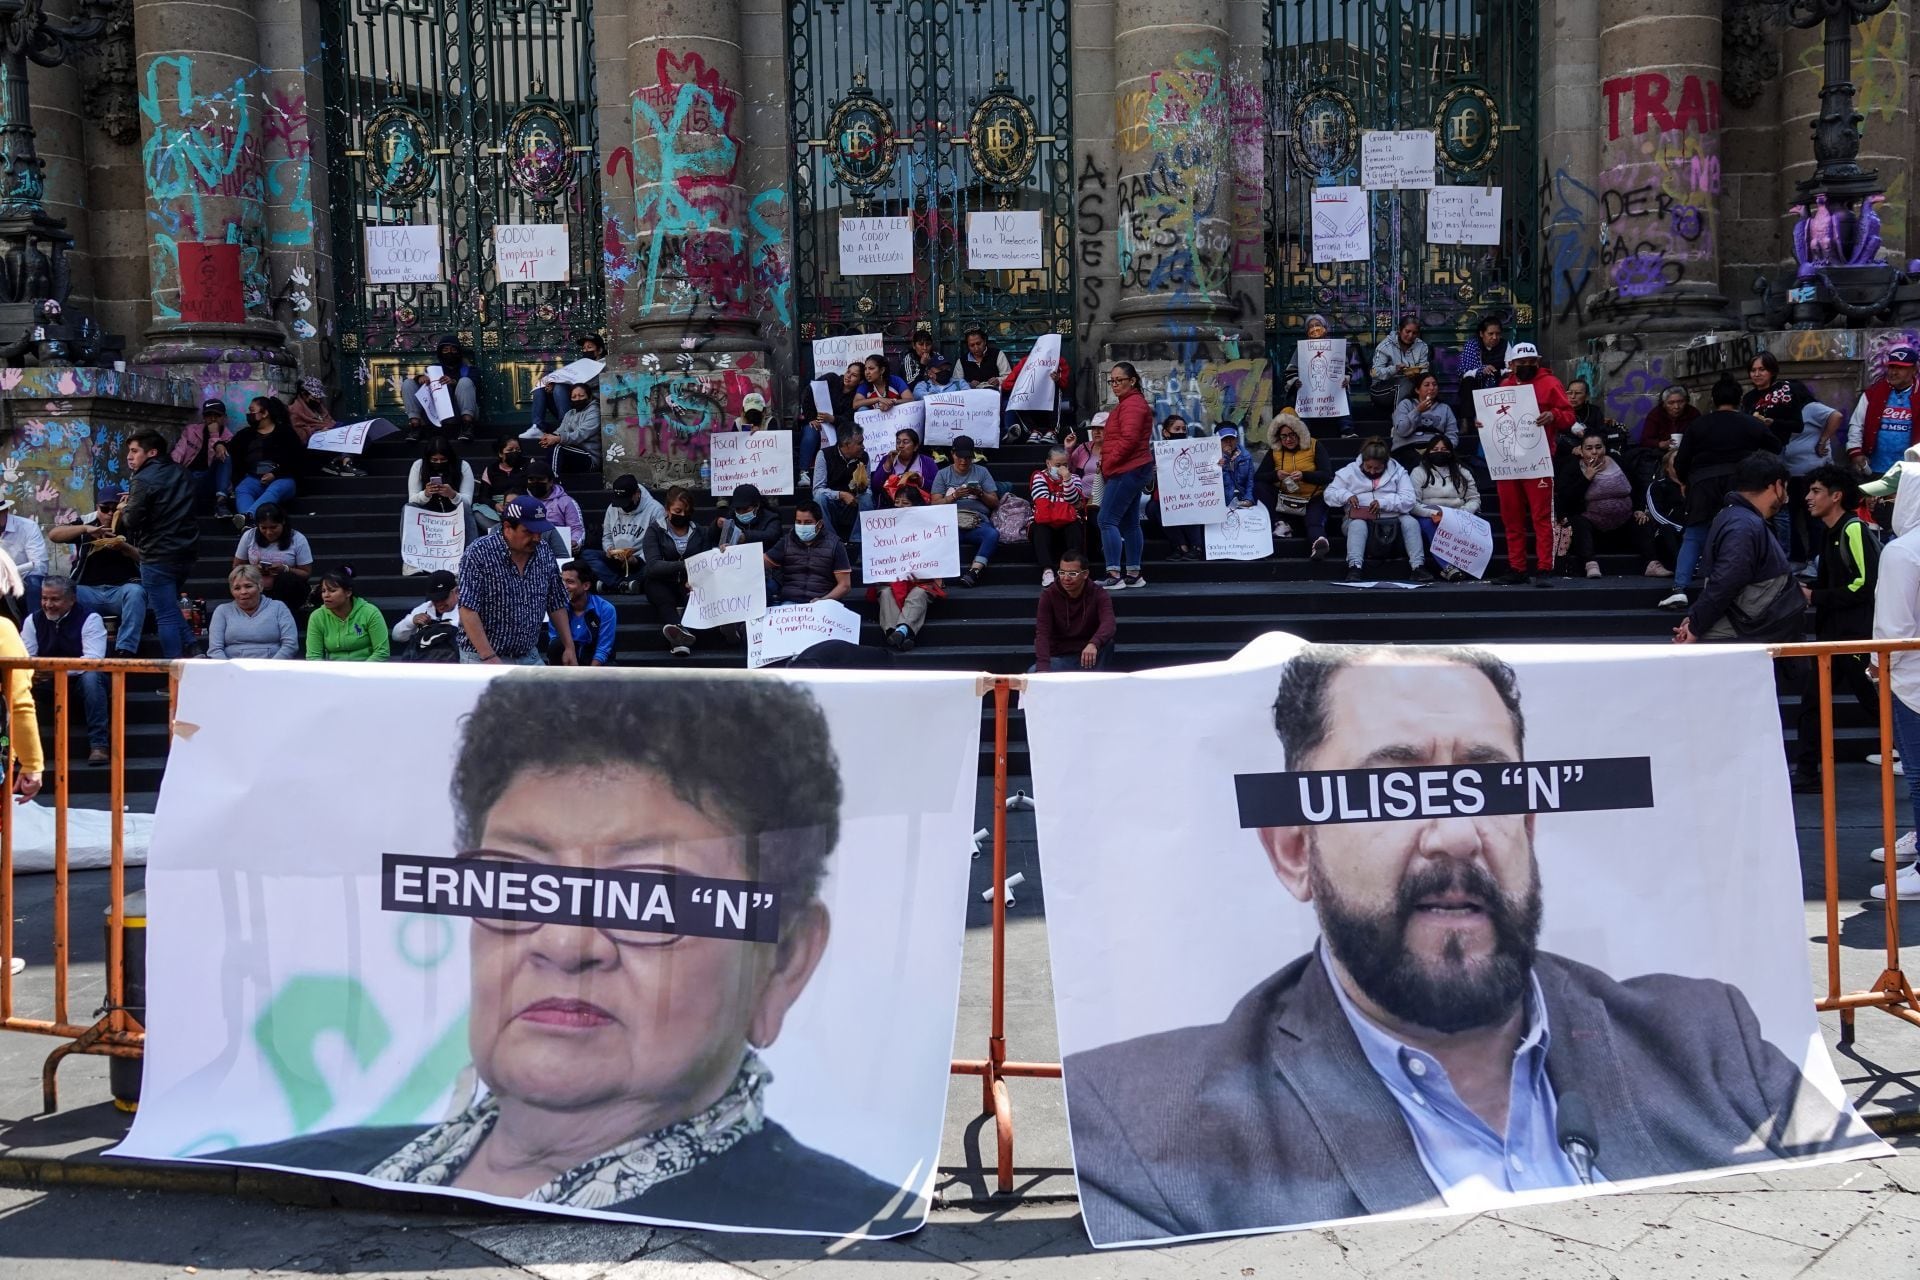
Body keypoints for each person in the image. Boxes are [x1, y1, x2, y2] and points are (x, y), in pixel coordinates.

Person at [1065, 644, 1880, 1244]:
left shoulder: (1710, 1039)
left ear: (1528, 827)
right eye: (1393, 785)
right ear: (1292, 849)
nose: (1456, 834)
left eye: (1489, 783)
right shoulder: (1143, 1126)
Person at [213, 672, 911, 1232]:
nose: (565, 942)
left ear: (783, 963)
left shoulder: (844, 1227)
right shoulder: (283, 1174)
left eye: (649, 897)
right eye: (518, 883)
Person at [1788, 465, 1882, 794]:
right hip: (1834, 635)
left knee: (1872, 702)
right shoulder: (1831, 532)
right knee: (1813, 704)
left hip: (1853, 636)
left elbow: (1864, 584)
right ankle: (1807, 773)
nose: (1808, 497)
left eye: (1815, 491)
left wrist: (1816, 595)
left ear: (1836, 496)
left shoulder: (1853, 529)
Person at [1663, 376, 1781, 609]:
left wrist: (1687, 482)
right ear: (1739, 400)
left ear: (1713, 400)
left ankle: (1679, 588)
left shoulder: (1698, 425)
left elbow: (1682, 460)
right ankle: (1745, 585)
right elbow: (1775, 448)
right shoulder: (1750, 423)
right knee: (1742, 534)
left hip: (1703, 484)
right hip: (1741, 484)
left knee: (1695, 535)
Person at [1673, 452, 1803, 645]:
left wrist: (1696, 619)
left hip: (1749, 632)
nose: (1786, 496)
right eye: (1785, 487)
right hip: (1748, 635)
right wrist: (1695, 626)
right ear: (1776, 485)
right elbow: (1726, 580)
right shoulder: (1744, 524)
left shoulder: (1735, 518)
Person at [1871, 469, 1920, 895]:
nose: (1885, 506)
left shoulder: (1902, 552)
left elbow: (1894, 629)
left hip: (1910, 678)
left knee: (1919, 774)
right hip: (1910, 672)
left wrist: (1876, 665)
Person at [457, 496, 575, 668]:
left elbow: (556, 602)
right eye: (528, 531)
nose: (536, 538)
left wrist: (569, 646)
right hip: (481, 657)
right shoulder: (478, 553)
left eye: (539, 531)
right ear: (507, 528)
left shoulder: (544, 552)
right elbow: (468, 609)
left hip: (529, 655)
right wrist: (488, 656)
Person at [1494, 343, 1575, 586]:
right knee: (1511, 516)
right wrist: (1483, 423)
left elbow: (1569, 415)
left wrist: (1554, 415)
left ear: (1537, 362)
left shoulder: (1550, 383)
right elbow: (1494, 417)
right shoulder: (1504, 386)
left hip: (1537, 459)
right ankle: (1517, 567)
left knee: (1541, 516)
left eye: (1531, 361)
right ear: (1512, 365)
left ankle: (1543, 569)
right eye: (1522, 362)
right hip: (1508, 460)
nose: (1527, 365)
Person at [119, 429, 198, 660]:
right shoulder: (182, 472)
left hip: (157, 554)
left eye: (134, 451)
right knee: (169, 605)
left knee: (165, 615)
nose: (129, 456)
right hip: (186, 551)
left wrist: (126, 507)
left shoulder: (142, 478)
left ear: (152, 452)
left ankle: (174, 675)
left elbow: (131, 520)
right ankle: (194, 648)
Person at [22, 577, 111, 764]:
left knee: (92, 677)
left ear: (71, 599)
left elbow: (93, 660)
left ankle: (99, 745)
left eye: (55, 599)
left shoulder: (90, 619)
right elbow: (26, 657)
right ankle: (17, 747)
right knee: (17, 677)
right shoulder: (33, 620)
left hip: (79, 686)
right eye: (44, 598)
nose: (48, 604)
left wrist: (54, 670)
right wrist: (33, 671)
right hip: (47, 684)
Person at [48, 488, 145, 659]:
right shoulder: (87, 521)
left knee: (136, 593)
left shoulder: (131, 524)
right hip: (87, 590)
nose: (109, 514)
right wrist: (85, 529)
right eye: (104, 509)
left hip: (120, 591)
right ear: (97, 508)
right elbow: (54, 535)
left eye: (114, 509)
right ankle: (61, 645)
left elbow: (145, 557)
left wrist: (123, 547)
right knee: (61, 594)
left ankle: (125, 649)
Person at [1555, 433, 1668, 579]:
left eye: (1598, 447)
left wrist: (1639, 509)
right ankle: (1590, 564)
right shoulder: (1573, 467)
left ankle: (1652, 564)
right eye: (1589, 448)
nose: (1594, 452)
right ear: (1581, 451)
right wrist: (1586, 478)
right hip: (1592, 527)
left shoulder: (1618, 462)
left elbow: (1638, 486)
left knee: (1642, 521)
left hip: (1623, 522)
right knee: (1578, 522)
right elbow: (1565, 499)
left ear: (1605, 448)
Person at [1323, 438, 1431, 583]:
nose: (1372, 471)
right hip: (1359, 518)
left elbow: (1409, 499)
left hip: (1392, 519)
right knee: (1357, 524)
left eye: (1377, 468)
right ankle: (1355, 567)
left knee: (1411, 522)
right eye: (1368, 467)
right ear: (1362, 462)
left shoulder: (1398, 472)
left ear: (1385, 464)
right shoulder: (1348, 471)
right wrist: (1346, 495)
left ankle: (1418, 567)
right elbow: (1329, 494)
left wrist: (1384, 503)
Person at [642, 487, 717, 657]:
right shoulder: (654, 530)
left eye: (686, 511)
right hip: (660, 581)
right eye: (677, 511)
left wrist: (695, 578)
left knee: (694, 596)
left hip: (689, 581)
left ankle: (679, 638)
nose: (682, 515)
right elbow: (653, 566)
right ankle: (680, 633)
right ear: (667, 509)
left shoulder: (700, 531)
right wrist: (686, 565)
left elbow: (705, 562)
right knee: (663, 597)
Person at [1097, 362, 1152, 591]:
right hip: (1133, 468)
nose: (1115, 385)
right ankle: (1133, 573)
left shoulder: (1131, 405)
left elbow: (1128, 441)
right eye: (1112, 381)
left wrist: (1108, 464)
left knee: (1106, 520)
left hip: (1126, 469)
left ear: (1133, 380)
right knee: (1129, 522)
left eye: (1120, 380)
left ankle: (1113, 574)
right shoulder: (1131, 404)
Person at [877, 485, 943, 649]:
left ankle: (901, 631)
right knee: (885, 593)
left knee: (918, 593)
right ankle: (899, 633)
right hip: (892, 579)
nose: (899, 506)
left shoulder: (930, 529)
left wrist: (931, 575)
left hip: (921, 580)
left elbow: (938, 559)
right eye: (897, 502)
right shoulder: (883, 528)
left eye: (905, 503)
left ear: (916, 505)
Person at [1258, 411, 1331, 554]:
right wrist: (1276, 475)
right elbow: (1259, 477)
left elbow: (1326, 476)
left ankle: (1319, 543)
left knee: (1314, 522)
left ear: (1299, 433)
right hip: (1285, 501)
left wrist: (1304, 475)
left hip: (1312, 498)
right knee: (1260, 487)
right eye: (1284, 436)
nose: (1288, 440)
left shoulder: (1315, 445)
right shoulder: (1275, 451)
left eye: (1292, 435)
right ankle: (1280, 523)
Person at [1409, 436, 1481, 581]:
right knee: (1429, 525)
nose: (1439, 452)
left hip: (1458, 513)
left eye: (1443, 449)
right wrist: (1433, 513)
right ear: (1428, 452)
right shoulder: (1418, 472)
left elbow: (1474, 499)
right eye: (1435, 450)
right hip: (1429, 514)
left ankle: (1473, 566)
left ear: (1450, 452)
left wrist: (1462, 513)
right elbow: (1412, 504)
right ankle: (1448, 567)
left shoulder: (1463, 472)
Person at [933, 435, 1000, 586]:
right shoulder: (942, 474)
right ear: (952, 454)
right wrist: (954, 496)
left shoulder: (982, 472)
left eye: (968, 458)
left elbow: (995, 502)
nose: (963, 461)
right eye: (960, 457)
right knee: (937, 536)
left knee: (992, 534)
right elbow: (934, 503)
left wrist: (980, 493)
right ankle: (940, 574)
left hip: (977, 521)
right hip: (950, 522)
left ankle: (974, 570)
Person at [1033, 549, 1115, 671]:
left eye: (1072, 574)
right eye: (1061, 573)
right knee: (1033, 671)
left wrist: (1094, 643)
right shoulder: (1048, 595)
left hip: (1089, 655)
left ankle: (1096, 684)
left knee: (1107, 642)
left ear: (1085, 574)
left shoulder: (1099, 593)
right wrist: (1043, 669)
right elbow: (1042, 633)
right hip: (1060, 658)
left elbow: (1109, 623)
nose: (1066, 578)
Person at [1282, 314, 1363, 438]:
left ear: (1325, 328)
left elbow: (1345, 369)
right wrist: (1295, 381)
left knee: (1343, 391)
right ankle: (1303, 430)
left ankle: (1346, 429)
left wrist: (1345, 379)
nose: (1314, 329)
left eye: (1317, 325)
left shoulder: (1335, 348)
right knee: (1298, 395)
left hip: (1331, 392)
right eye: (1311, 326)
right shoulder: (1301, 350)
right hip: (1309, 392)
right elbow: (1291, 371)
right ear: (1307, 332)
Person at [584, 474, 665, 595]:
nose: (623, 506)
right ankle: (621, 585)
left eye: (626, 502)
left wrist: (636, 560)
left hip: (640, 561)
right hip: (616, 558)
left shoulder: (656, 510)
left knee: (654, 567)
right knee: (587, 554)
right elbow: (607, 536)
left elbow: (659, 544)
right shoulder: (612, 508)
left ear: (637, 493)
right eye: (620, 502)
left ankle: (610, 584)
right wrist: (609, 549)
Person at [1848, 345, 1918, 481]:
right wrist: (1855, 452)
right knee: (1876, 502)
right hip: (1876, 469)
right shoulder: (1873, 393)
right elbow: (1856, 425)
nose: (1894, 372)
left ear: (1914, 369)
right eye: (1892, 367)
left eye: (1901, 368)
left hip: (1912, 471)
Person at [230, 395, 302, 527]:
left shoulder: (285, 433)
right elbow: (230, 447)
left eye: (252, 411)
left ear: (264, 413)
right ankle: (249, 526)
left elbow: (297, 459)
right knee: (242, 489)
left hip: (283, 479)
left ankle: (248, 516)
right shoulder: (246, 434)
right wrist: (219, 445)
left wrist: (276, 474)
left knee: (275, 489)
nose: (249, 414)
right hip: (255, 478)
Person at [232, 503, 314, 611]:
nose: (269, 532)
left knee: (287, 580)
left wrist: (285, 569)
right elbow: (237, 566)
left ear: (283, 522)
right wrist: (253, 569)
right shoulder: (249, 536)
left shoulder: (298, 539)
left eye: (273, 527)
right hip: (257, 585)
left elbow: (306, 573)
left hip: (286, 590)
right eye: (263, 528)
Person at [208, 564, 299, 661]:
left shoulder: (278, 607)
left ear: (260, 586)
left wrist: (270, 669)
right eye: (237, 588)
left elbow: (291, 645)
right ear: (231, 591)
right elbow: (215, 650)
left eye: (248, 586)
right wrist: (230, 670)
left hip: (273, 670)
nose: (243, 592)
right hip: (232, 672)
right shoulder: (222, 611)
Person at [765, 505, 851, 606]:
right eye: (798, 522)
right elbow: (763, 562)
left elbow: (845, 585)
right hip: (790, 604)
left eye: (808, 522)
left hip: (824, 603)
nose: (802, 526)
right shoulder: (786, 541)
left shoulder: (835, 544)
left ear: (819, 524)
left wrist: (823, 600)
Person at [303, 566, 389, 662]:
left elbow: (382, 652)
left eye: (332, 590)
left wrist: (358, 674)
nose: (326, 595)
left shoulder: (370, 612)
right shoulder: (317, 617)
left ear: (348, 592)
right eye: (323, 591)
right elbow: (313, 656)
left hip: (366, 672)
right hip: (332, 674)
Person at [1028, 445, 1086, 586]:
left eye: (1065, 465)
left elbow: (1073, 499)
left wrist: (1066, 480)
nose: (1061, 468)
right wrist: (1066, 502)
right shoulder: (1038, 476)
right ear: (1048, 463)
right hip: (1045, 520)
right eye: (1058, 465)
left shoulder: (1075, 478)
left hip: (1068, 521)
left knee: (1075, 526)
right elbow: (1041, 501)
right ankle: (1047, 570)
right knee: (1040, 528)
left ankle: (1074, 568)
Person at [528, 332, 606, 433]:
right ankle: (537, 427)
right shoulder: (581, 364)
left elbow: (585, 385)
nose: (586, 350)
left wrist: (557, 384)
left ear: (599, 350)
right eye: (584, 348)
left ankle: (565, 428)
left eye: (589, 347)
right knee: (540, 388)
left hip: (587, 404)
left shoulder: (603, 365)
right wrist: (551, 383)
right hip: (570, 404)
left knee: (560, 387)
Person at [409, 334, 481, 440]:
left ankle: (467, 427)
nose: (449, 353)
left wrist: (454, 382)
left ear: (458, 352)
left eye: (453, 350)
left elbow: (474, 383)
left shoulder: (469, 369)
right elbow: (424, 389)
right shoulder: (433, 369)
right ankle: (415, 426)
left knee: (465, 382)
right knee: (408, 383)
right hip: (435, 412)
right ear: (440, 352)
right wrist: (420, 378)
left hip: (460, 411)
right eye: (445, 350)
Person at [1742, 352, 1818, 452]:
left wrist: (1773, 423)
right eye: (1753, 370)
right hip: (1751, 450)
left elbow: (1798, 426)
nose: (1756, 374)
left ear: (1772, 371)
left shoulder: (1785, 391)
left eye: (1762, 369)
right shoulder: (1748, 397)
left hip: (1776, 451)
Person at [171, 398, 235, 517]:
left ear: (224, 417)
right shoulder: (191, 431)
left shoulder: (229, 438)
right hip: (189, 477)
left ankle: (221, 502)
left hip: (211, 481)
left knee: (225, 456)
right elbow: (178, 452)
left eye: (217, 415)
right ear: (203, 417)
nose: (213, 418)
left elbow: (214, 461)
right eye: (208, 415)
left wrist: (214, 435)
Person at [409, 435, 479, 542]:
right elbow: (412, 499)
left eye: (443, 459)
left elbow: (467, 501)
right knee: (408, 507)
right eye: (434, 460)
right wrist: (426, 494)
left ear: (449, 457)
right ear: (428, 458)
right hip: (428, 514)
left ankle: (472, 550)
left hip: (454, 513)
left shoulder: (463, 466)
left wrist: (453, 495)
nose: (439, 463)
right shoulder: (419, 466)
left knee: (465, 507)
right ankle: (410, 549)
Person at [544, 562, 617, 666]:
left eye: (570, 582)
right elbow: (554, 642)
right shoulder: (557, 608)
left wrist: (586, 677)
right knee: (556, 645)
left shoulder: (606, 609)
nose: (564, 587)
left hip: (593, 661)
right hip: (567, 660)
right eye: (562, 581)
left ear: (586, 585)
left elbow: (603, 649)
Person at [294, 375, 366, 478]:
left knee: (354, 429)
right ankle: (346, 463)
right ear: (304, 395)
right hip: (315, 441)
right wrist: (317, 431)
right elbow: (298, 433)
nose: (318, 401)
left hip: (329, 435)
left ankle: (338, 460)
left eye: (319, 398)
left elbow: (330, 422)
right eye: (314, 397)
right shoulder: (295, 410)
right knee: (345, 430)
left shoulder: (318, 407)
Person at [1152, 416, 1202, 561]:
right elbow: (1147, 487)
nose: (1181, 432)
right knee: (1156, 507)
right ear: (1166, 432)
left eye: (1183, 429)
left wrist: (1216, 464)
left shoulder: (1195, 450)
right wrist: (1152, 473)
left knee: (1192, 506)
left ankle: (1197, 547)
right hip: (1165, 498)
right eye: (1176, 429)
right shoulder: (1156, 453)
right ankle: (1181, 546)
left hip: (1191, 496)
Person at [1389, 372, 1458, 468]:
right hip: (1407, 447)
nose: (1431, 388)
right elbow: (1401, 430)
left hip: (1435, 450)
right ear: (1417, 390)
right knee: (1418, 463)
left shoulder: (1444, 408)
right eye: (1427, 385)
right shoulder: (1405, 404)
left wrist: (1443, 448)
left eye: (1434, 385)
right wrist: (1417, 411)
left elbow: (1452, 434)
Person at [814, 427, 871, 545]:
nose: (863, 446)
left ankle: (858, 540)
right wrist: (840, 495)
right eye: (859, 443)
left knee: (867, 496)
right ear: (846, 444)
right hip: (833, 503)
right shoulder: (825, 454)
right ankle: (830, 541)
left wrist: (861, 488)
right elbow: (817, 489)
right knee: (819, 497)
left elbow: (868, 486)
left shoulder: (864, 457)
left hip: (854, 504)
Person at [1455, 313, 1507, 431]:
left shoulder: (1505, 345)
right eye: (1490, 334)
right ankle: (1467, 422)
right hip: (1477, 384)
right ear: (1481, 334)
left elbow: (1510, 367)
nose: (1494, 337)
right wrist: (1481, 370)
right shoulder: (1473, 345)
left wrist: (1499, 371)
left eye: (1498, 334)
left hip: (1496, 382)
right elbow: (1464, 372)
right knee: (1468, 381)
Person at [391, 569, 462, 652]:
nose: (439, 604)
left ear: (456, 592)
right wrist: (411, 621)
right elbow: (396, 636)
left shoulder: (466, 609)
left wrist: (446, 625)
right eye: (435, 599)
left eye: (443, 598)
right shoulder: (425, 608)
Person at [522, 459, 585, 552]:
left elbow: (577, 528)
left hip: (558, 549)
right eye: (532, 479)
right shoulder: (522, 502)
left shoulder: (566, 502)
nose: (536, 483)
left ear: (551, 481)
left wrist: (574, 542)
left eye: (540, 479)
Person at [541, 380, 602, 475]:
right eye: (574, 397)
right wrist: (548, 438)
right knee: (551, 445)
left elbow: (581, 434)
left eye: (581, 396)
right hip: (572, 453)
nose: (577, 399)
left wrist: (558, 438)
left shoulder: (594, 411)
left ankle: (554, 483)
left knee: (558, 447)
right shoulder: (570, 413)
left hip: (589, 456)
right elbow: (560, 430)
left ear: (589, 397)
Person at [1368, 315, 1429, 409]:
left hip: (1411, 384)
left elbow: (1425, 371)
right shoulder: (1385, 347)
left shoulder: (1422, 347)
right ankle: (1400, 418)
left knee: (1429, 383)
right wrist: (1394, 369)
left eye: (1414, 333)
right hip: (1380, 390)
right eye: (1407, 331)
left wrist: (1418, 375)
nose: (1410, 336)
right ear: (1399, 330)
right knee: (1405, 382)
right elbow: (1374, 373)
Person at [473, 438, 528, 533]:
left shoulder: (528, 464)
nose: (515, 452)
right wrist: (495, 505)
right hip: (499, 510)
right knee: (477, 511)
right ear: (500, 453)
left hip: (523, 506)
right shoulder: (491, 469)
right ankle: (501, 533)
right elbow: (483, 497)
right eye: (510, 450)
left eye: (517, 450)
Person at [0, 498, 49, 603]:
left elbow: (39, 565)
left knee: (35, 583)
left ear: (5, 511)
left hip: (25, 579)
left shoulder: (28, 527)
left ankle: (34, 619)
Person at [716, 482, 786, 555]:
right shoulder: (732, 516)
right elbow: (712, 537)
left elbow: (771, 536)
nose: (741, 512)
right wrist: (716, 526)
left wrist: (745, 537)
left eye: (745, 509)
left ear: (757, 505)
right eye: (738, 509)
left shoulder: (772, 518)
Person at [870, 427, 937, 502]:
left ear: (915, 447)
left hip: (920, 506)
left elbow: (937, 488)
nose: (900, 446)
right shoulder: (888, 459)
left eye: (905, 442)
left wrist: (920, 481)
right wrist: (888, 464)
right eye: (898, 442)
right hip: (893, 506)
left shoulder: (927, 462)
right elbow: (875, 487)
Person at [1563, 378, 1627, 455]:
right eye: (1570, 393)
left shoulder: (1594, 411)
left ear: (1586, 396)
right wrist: (1572, 449)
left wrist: (1586, 433)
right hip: (1569, 452)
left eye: (1578, 393)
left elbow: (1602, 434)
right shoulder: (1560, 412)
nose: (1573, 396)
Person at [1638, 385, 1700, 451]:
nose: (1676, 407)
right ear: (1663, 404)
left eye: (1681, 402)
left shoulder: (1693, 413)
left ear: (1686, 401)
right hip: (1662, 453)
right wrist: (1660, 444)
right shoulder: (1656, 415)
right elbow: (1645, 440)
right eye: (1671, 403)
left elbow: (1702, 435)